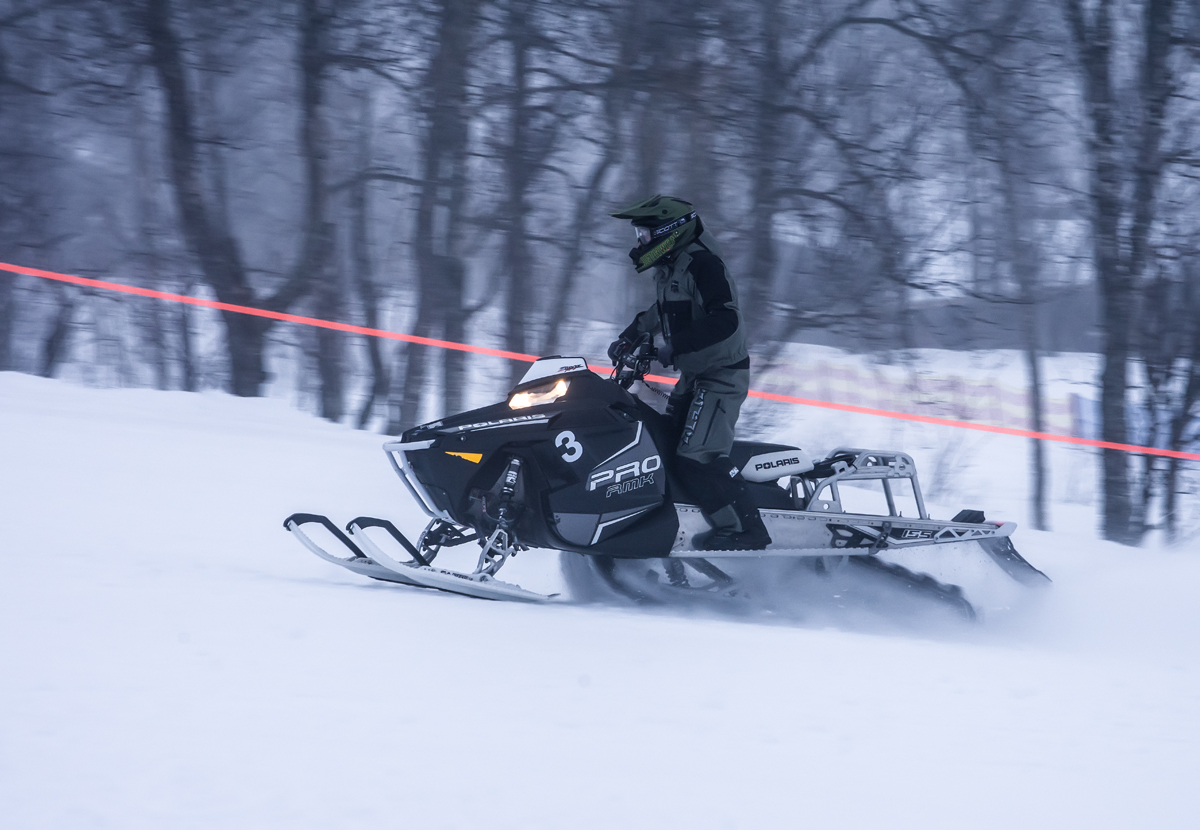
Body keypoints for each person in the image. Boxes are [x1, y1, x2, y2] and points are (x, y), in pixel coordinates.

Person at [607, 195, 771, 551]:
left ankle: (746, 530)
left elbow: (727, 318)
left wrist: (676, 344)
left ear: (668, 232)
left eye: (644, 234)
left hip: (722, 377)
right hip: (695, 376)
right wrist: (630, 336)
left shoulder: (704, 265)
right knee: (664, 447)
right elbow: (662, 308)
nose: (639, 243)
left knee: (698, 455)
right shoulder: (672, 269)